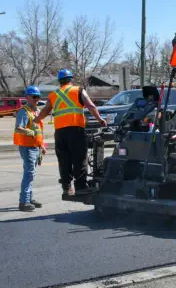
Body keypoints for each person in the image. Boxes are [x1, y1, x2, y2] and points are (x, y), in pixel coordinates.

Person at [35, 69, 107, 197]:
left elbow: (45, 111)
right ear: (71, 80)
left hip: (60, 132)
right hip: (75, 130)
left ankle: (66, 188)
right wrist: (100, 119)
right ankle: (80, 187)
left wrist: (36, 120)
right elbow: (91, 106)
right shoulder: (78, 90)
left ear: (59, 81)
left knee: (64, 160)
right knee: (79, 158)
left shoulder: (53, 95)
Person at [14, 86, 47, 212]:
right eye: (34, 97)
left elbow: (39, 130)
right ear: (27, 97)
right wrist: (28, 132)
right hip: (27, 147)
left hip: (35, 147)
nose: (37, 99)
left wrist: (42, 146)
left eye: (38, 97)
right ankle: (24, 202)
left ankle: (29, 198)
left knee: (31, 174)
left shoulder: (37, 111)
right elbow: (18, 128)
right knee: (29, 173)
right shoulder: (24, 111)